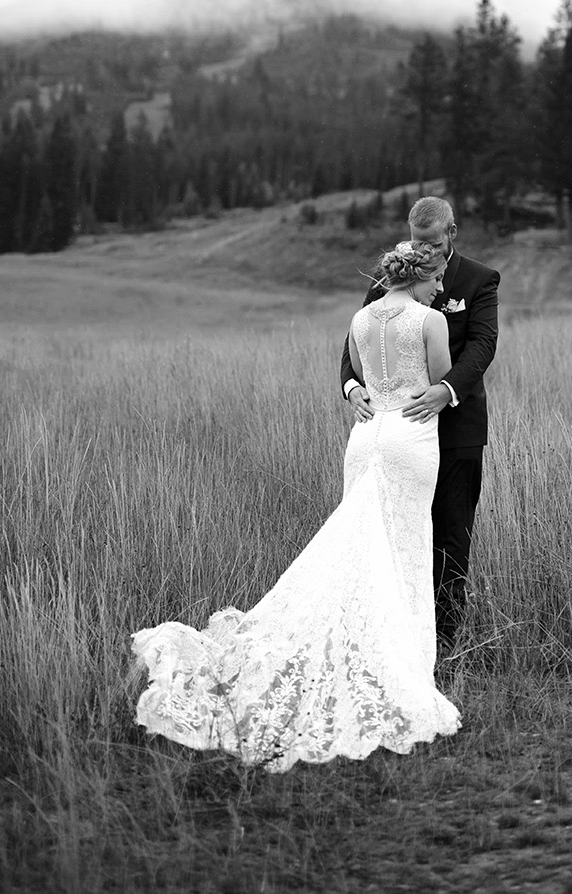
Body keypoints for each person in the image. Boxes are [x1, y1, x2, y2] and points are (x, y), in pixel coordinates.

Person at [132, 241, 460, 772]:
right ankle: (405, 669)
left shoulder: (360, 320)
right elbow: (438, 379)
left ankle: (368, 657)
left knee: (364, 554)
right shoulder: (431, 321)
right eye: (437, 278)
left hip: (365, 439)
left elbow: (361, 377)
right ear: (420, 276)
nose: (441, 288)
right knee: (406, 549)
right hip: (411, 439)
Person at [341, 196, 500, 646]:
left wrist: (445, 390)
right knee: (394, 532)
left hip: (457, 427)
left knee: (450, 534)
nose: (423, 250)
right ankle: (393, 632)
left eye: (431, 242)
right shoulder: (388, 279)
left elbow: (483, 345)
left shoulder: (479, 279)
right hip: (398, 434)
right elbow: (357, 337)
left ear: (452, 233)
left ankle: (444, 637)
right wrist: (352, 387)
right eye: (416, 241)